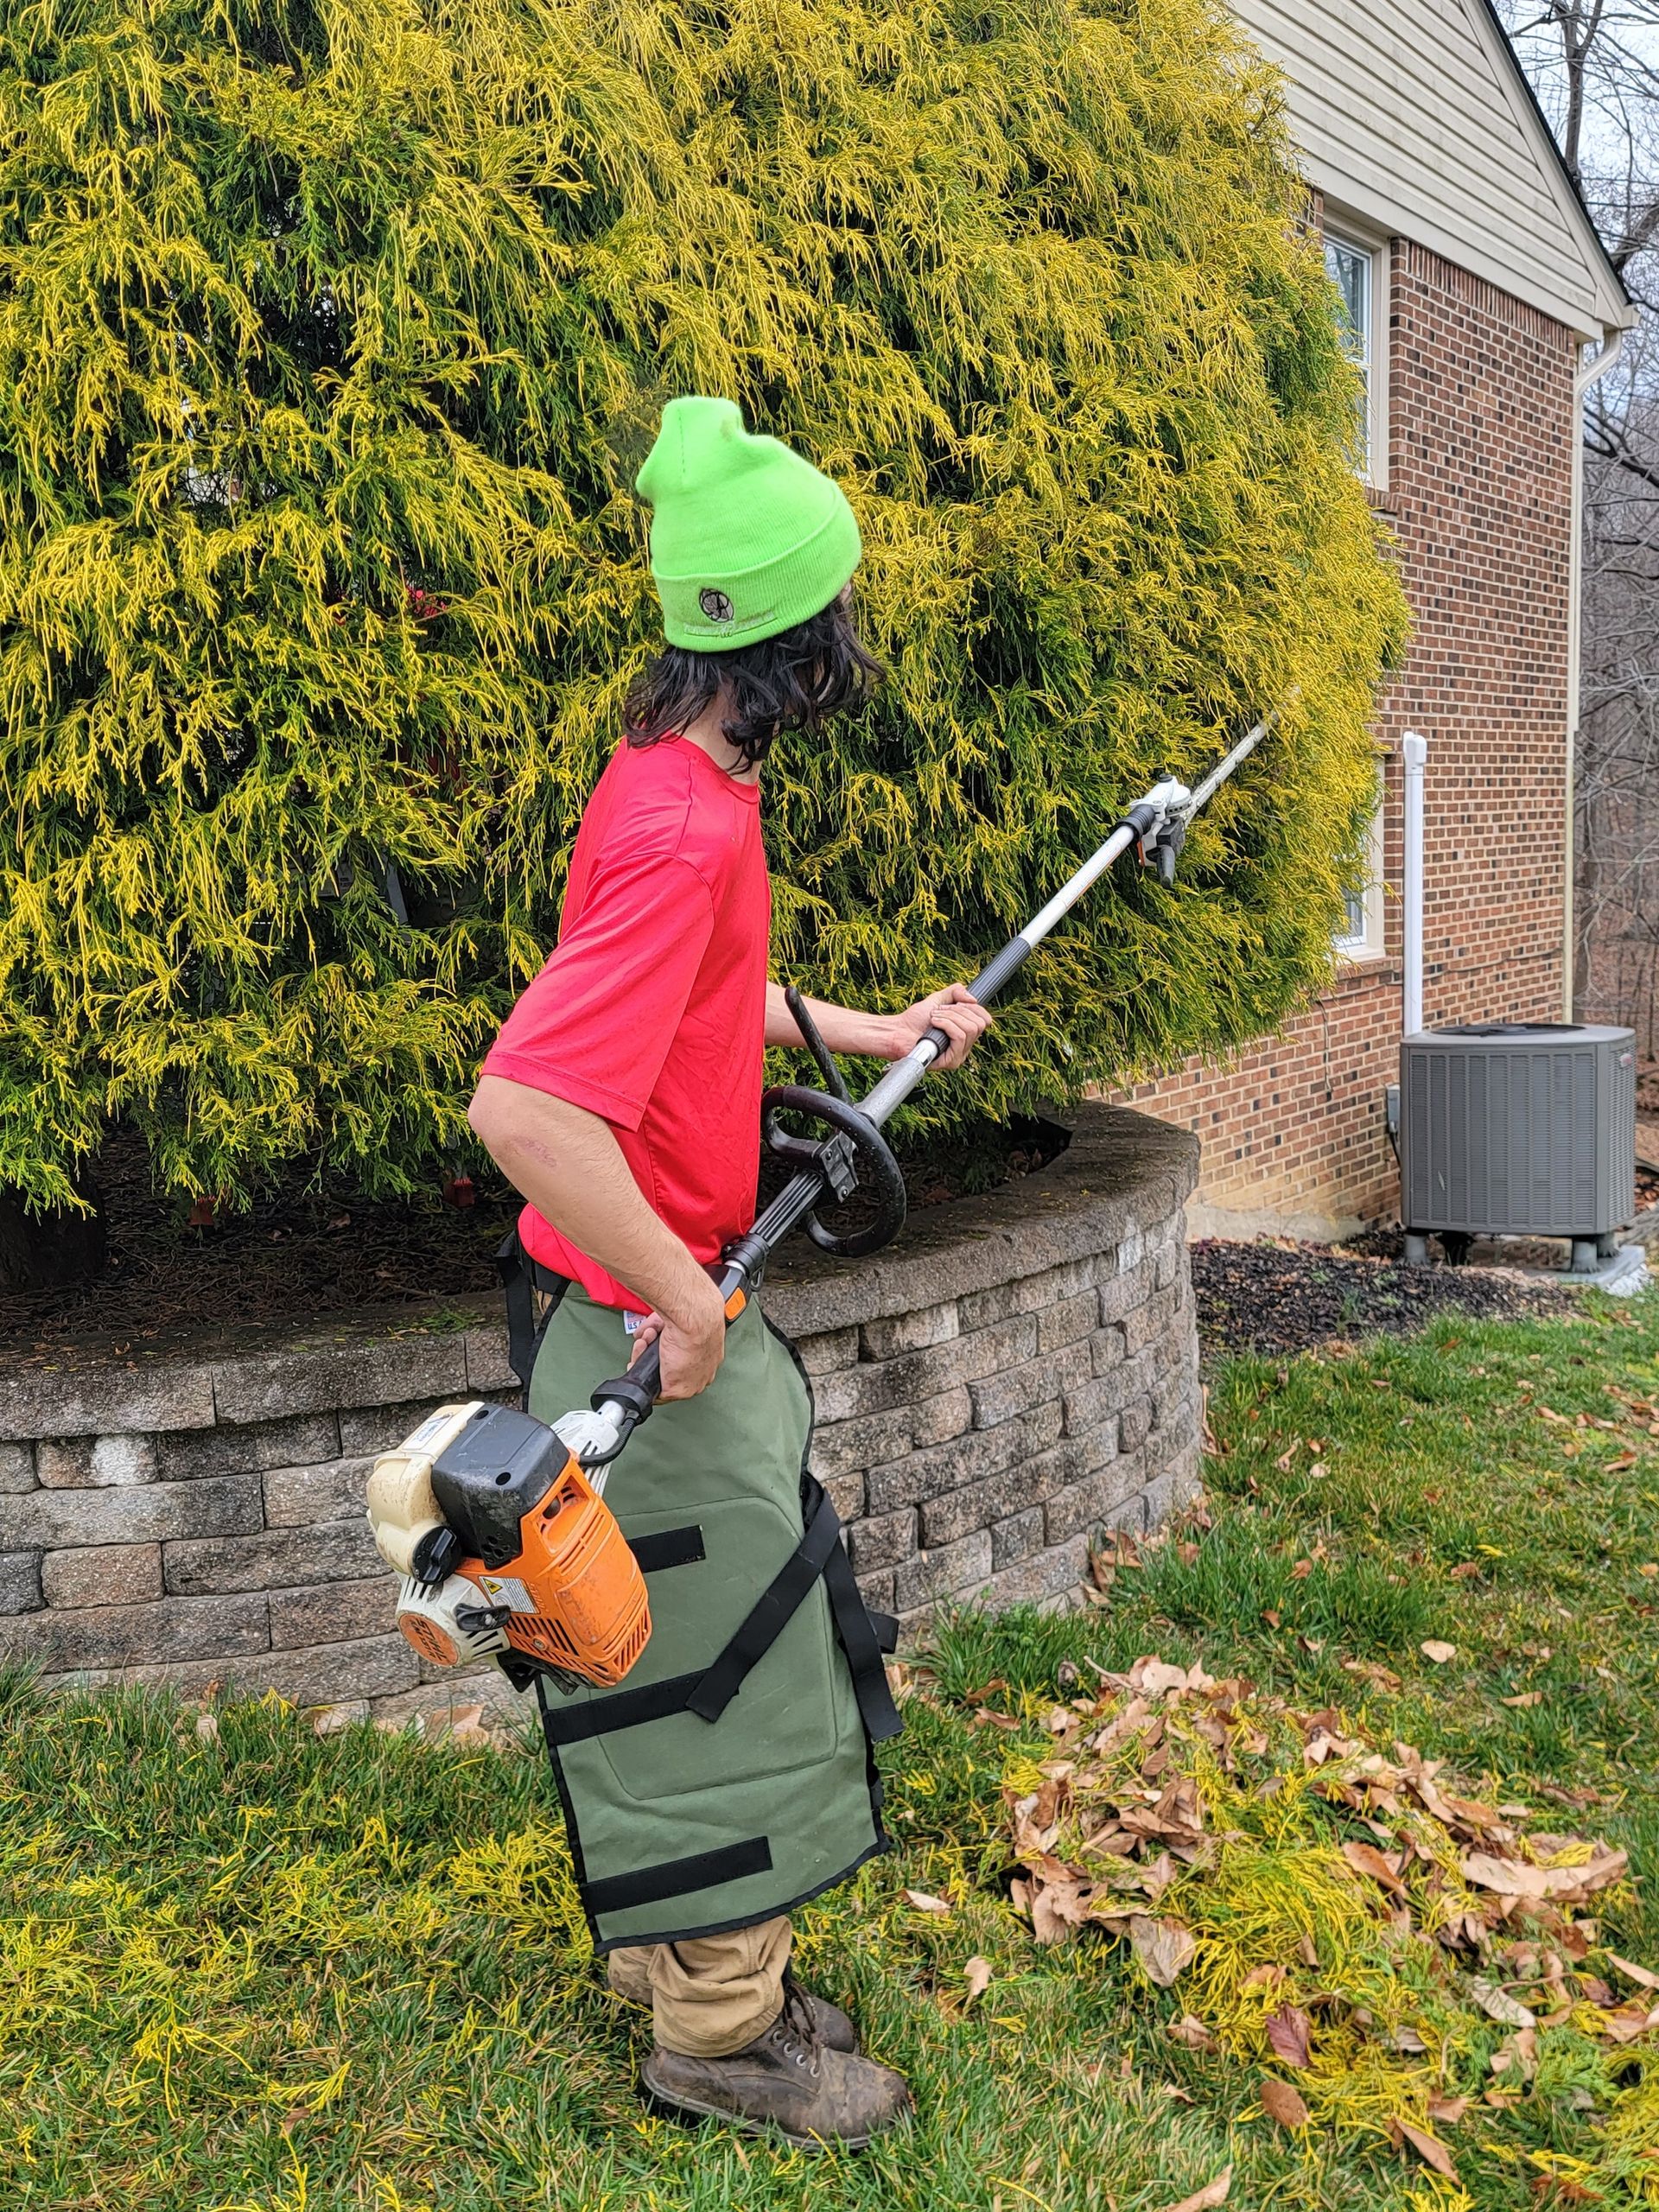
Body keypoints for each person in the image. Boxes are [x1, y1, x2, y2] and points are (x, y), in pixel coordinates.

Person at [467, 396, 990, 2148]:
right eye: (838, 605)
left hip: (640, 1298)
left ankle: (692, 1952)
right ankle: (719, 2032)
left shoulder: (674, 782)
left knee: (698, 1627)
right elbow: (530, 1106)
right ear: (797, 634)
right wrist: (685, 1304)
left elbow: (705, 994)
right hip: (636, 1317)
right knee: (737, 1659)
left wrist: (876, 1023)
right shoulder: (687, 825)